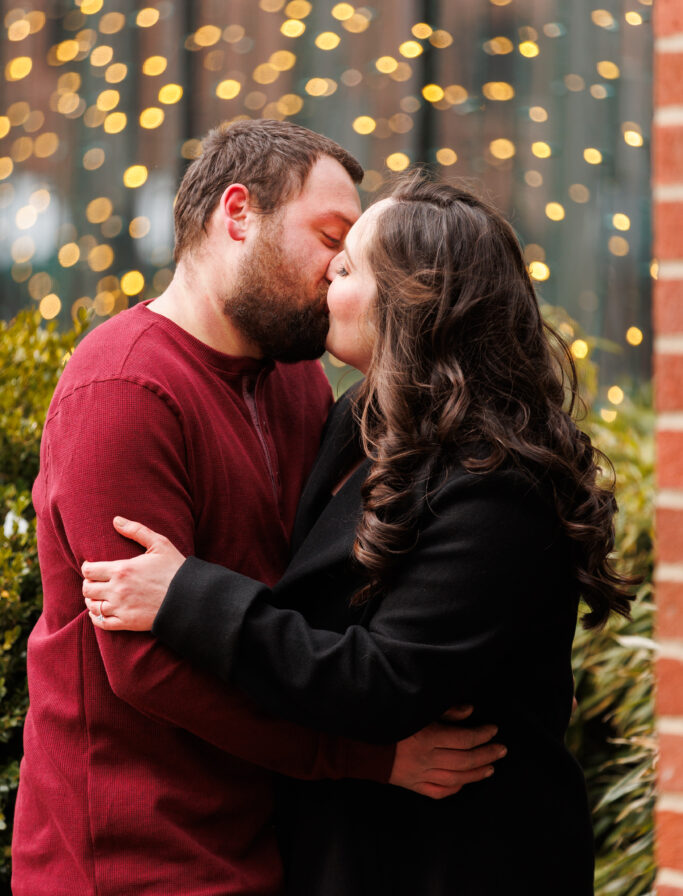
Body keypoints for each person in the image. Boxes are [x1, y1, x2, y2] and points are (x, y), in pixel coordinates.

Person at [83, 174, 634, 896]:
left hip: (457, 854)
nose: (322, 284)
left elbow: (383, 680)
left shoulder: (498, 484)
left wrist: (188, 595)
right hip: (351, 842)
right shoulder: (356, 419)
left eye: (344, 268)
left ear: (412, 304)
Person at [12, 124, 502, 896]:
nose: (338, 271)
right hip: (137, 859)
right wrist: (368, 756)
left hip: (269, 841)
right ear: (237, 214)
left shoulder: (298, 383)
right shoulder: (123, 389)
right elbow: (143, 667)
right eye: (329, 240)